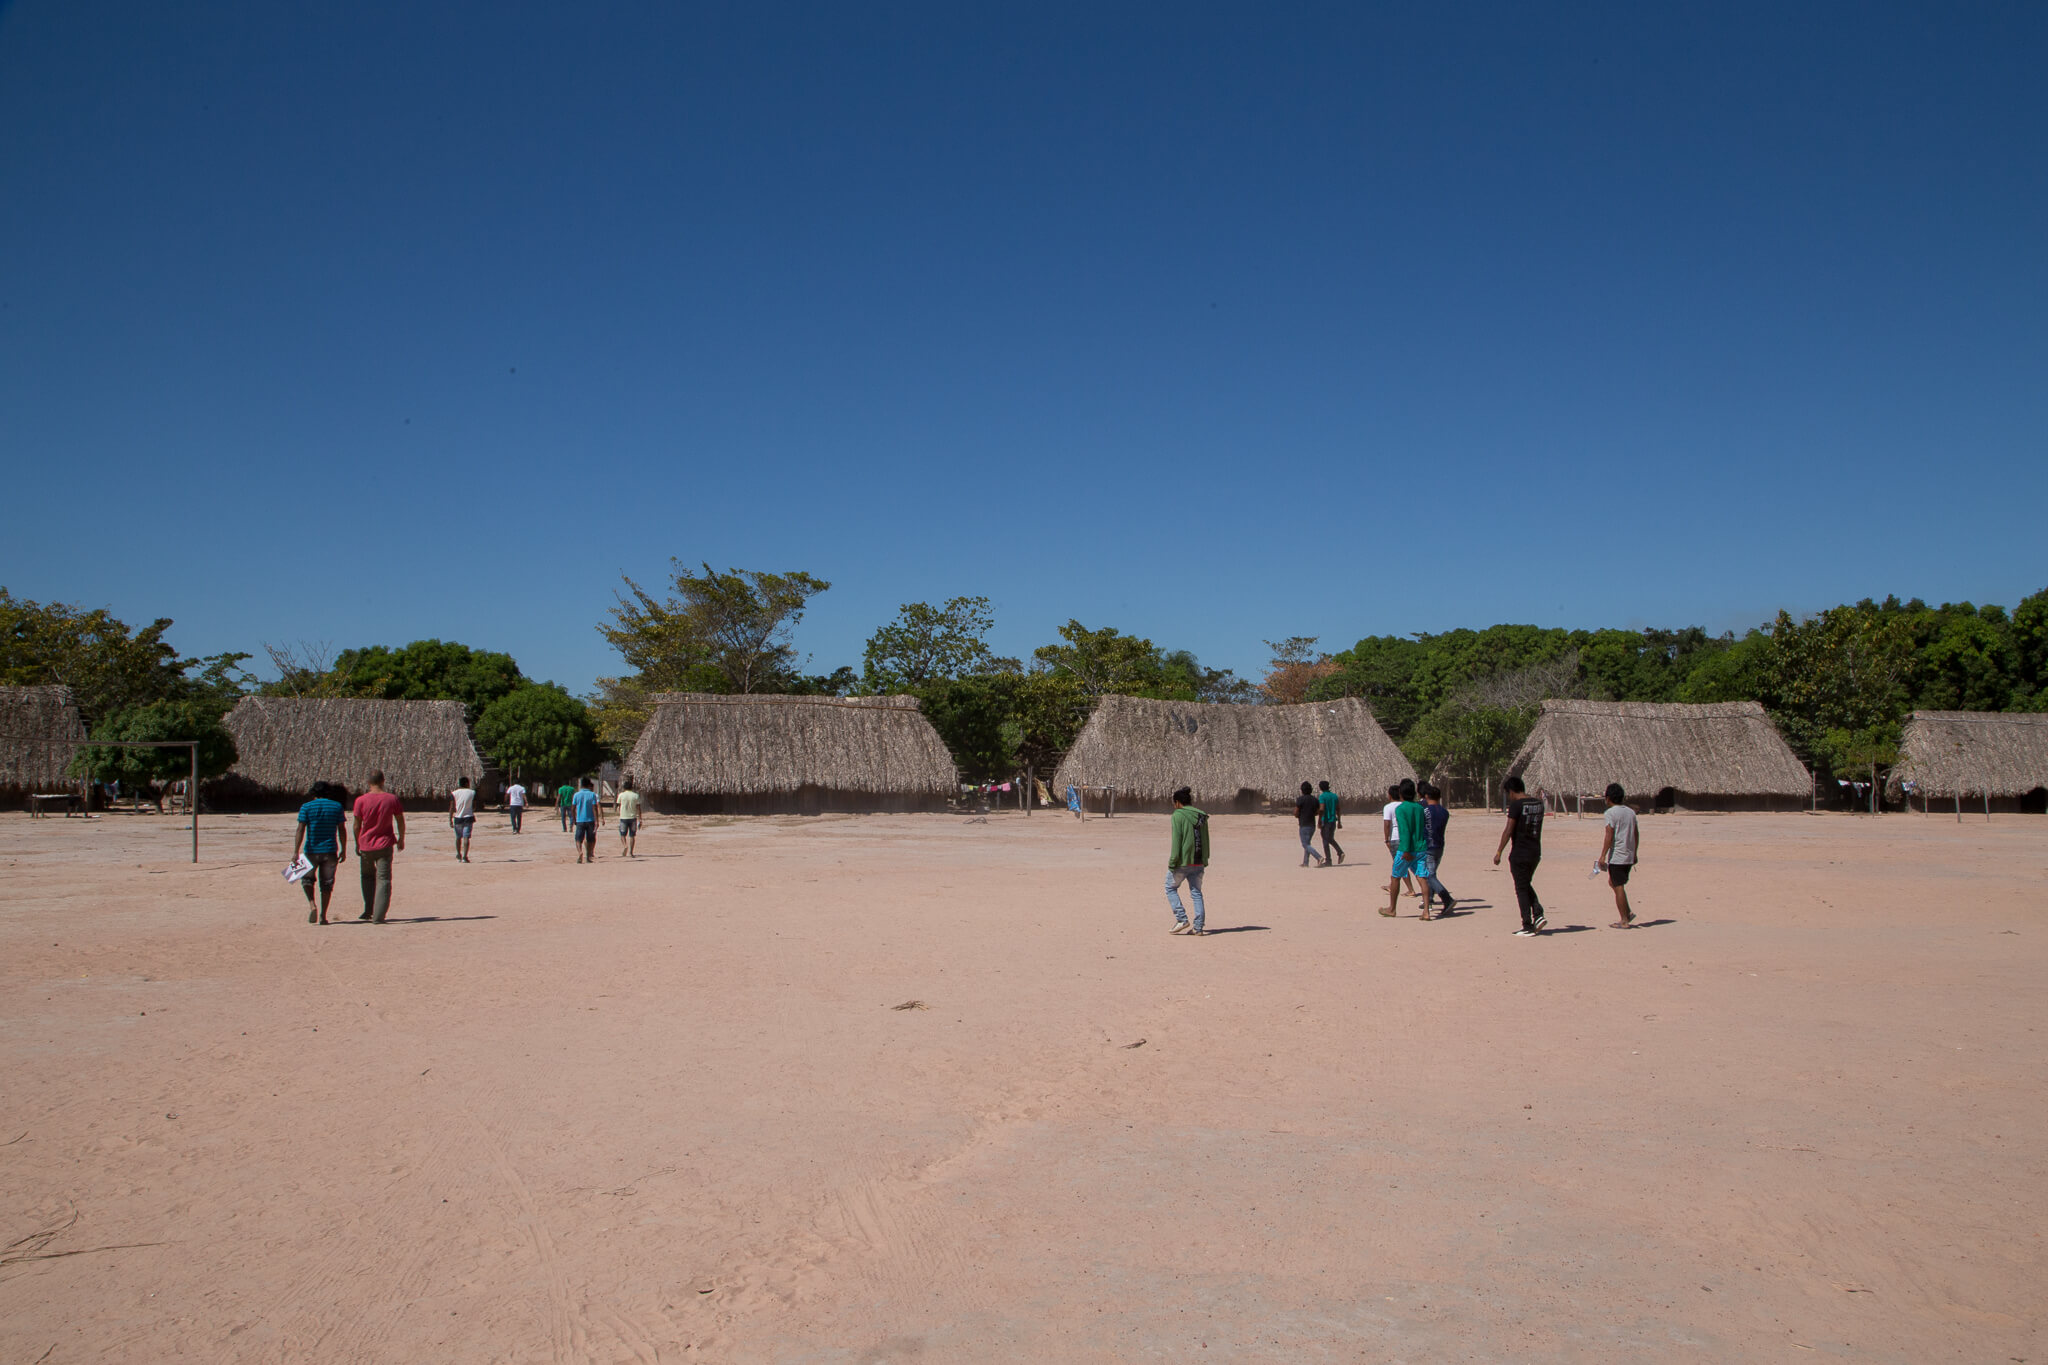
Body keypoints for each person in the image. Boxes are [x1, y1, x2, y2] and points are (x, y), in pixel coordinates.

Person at [1493, 774, 1547, 936]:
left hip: (1520, 852)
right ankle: (1538, 914)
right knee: (1525, 883)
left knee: (1521, 888)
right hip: (1535, 851)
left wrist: (1499, 851)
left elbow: (1508, 830)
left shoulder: (1516, 805)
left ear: (1511, 791)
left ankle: (1528, 924)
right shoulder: (1538, 803)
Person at [352, 770, 406, 924]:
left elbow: (356, 825)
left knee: (367, 877)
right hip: (384, 844)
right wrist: (401, 838)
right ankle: (378, 915)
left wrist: (357, 842)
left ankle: (368, 909)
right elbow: (400, 820)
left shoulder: (360, 800)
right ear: (383, 781)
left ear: (368, 782)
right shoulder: (391, 799)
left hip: (366, 845)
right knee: (384, 880)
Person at [292, 780, 347, 925]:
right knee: (327, 884)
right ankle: (323, 915)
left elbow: (300, 829)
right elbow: (342, 830)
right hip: (330, 850)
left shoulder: (306, 807)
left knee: (305, 879)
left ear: (313, 793)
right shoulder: (337, 806)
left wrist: (296, 852)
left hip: (310, 850)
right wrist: (344, 849)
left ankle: (312, 904)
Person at [1384, 778, 1432, 919]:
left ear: (1401, 792)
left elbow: (1405, 831)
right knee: (1422, 877)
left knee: (1395, 877)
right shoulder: (1419, 808)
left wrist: (1406, 850)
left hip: (1406, 848)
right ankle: (1426, 911)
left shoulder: (1401, 809)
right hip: (1421, 847)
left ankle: (1392, 908)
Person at [1165, 786, 1208, 936]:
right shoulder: (1202, 816)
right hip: (1199, 860)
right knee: (1196, 893)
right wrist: (1205, 859)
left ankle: (1181, 919)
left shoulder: (1178, 815)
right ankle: (1198, 927)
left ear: (1177, 802)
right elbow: (1206, 839)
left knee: (1170, 888)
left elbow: (1177, 840)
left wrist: (1173, 862)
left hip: (1182, 861)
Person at [1597, 782, 1639, 928]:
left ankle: (1624, 920)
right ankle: (1627, 912)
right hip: (1628, 855)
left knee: (1618, 885)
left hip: (1618, 856)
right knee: (1613, 882)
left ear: (1608, 798)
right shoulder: (1630, 812)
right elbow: (1636, 834)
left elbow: (1609, 835)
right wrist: (1635, 852)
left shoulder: (1610, 813)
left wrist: (1603, 855)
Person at [1420, 784, 1455, 914]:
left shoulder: (1425, 811)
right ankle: (1429, 899)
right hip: (1439, 846)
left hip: (1428, 846)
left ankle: (1446, 898)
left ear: (1426, 796)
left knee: (1429, 875)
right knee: (1432, 873)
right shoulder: (1444, 812)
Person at [1382, 785, 1420, 898]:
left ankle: (1410, 889)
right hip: (1408, 837)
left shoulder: (1388, 807)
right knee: (1408, 864)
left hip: (1395, 838)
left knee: (1400, 864)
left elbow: (1387, 824)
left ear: (1389, 795)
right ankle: (1392, 885)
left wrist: (1386, 839)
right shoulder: (1405, 805)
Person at [1293, 782, 1326, 867]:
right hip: (1312, 825)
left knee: (1305, 844)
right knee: (1307, 843)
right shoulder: (1314, 800)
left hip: (1304, 824)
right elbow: (1318, 811)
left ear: (1302, 790)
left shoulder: (1300, 799)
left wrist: (1298, 815)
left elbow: (1296, 812)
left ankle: (1318, 857)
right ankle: (1305, 862)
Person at [571, 776, 602, 863]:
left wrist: (574, 818)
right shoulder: (592, 795)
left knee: (578, 839)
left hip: (580, 820)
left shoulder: (576, 795)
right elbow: (594, 808)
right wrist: (597, 820)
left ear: (581, 785)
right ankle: (588, 856)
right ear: (589, 785)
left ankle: (580, 852)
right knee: (590, 839)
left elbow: (573, 808)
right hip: (590, 820)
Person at [1316, 780, 1345, 866]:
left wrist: (1319, 820)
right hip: (1333, 821)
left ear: (1321, 788)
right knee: (1330, 838)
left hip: (1326, 821)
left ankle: (1329, 860)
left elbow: (1321, 809)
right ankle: (1339, 852)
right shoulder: (1334, 796)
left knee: (1325, 840)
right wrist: (1339, 821)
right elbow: (1338, 809)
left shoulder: (1322, 797)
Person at [449, 776, 477, 862]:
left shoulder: (454, 793)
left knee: (458, 837)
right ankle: (465, 856)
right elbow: (474, 806)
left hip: (458, 818)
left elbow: (452, 807)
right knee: (466, 837)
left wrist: (450, 819)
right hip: (468, 817)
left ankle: (458, 854)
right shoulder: (472, 792)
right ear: (466, 783)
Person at [617, 778, 641, 858]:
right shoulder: (635, 795)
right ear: (632, 787)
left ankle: (625, 845)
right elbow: (638, 808)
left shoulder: (621, 795)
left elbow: (619, 805)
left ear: (624, 787)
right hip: (633, 817)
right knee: (632, 835)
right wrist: (640, 818)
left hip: (623, 817)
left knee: (622, 834)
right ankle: (631, 852)